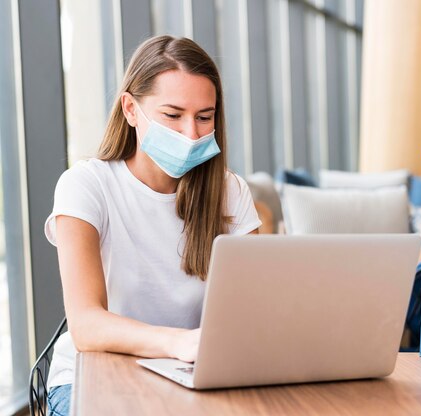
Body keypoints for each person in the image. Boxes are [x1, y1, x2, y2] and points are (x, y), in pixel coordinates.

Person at [44, 35, 261, 416]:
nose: (191, 134)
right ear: (130, 109)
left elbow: (258, 305)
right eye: (173, 115)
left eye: (204, 117)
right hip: (93, 376)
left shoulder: (230, 191)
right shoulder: (86, 185)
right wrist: (179, 343)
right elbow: (86, 325)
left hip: (191, 374)